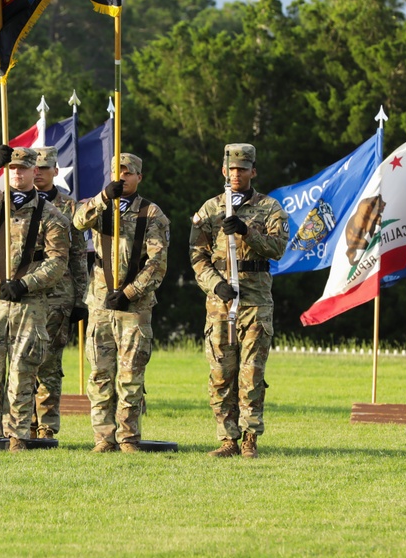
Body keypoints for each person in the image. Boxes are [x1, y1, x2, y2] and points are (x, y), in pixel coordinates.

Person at [0, 145, 69, 453]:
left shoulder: (52, 215)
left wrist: (27, 284)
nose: (18, 173)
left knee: (24, 370)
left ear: (33, 171)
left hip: (29, 301)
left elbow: (57, 261)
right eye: (12, 169)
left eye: (23, 168)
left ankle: (18, 435)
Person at [189, 143, 288, 459]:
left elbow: (277, 248)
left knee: (251, 374)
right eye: (232, 169)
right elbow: (197, 256)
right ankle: (227, 438)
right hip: (220, 305)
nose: (237, 174)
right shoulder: (210, 210)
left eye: (243, 169)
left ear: (253, 171)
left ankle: (249, 438)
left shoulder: (270, 209)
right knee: (221, 373)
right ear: (223, 171)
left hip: (255, 304)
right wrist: (215, 286)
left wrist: (246, 231)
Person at [73, 152, 169, 453]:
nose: (122, 177)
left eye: (128, 173)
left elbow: (157, 264)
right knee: (100, 374)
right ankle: (103, 437)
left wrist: (129, 293)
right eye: (117, 172)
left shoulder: (151, 214)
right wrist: (103, 197)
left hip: (134, 308)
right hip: (101, 302)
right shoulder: (100, 206)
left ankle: (128, 437)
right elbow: (77, 222)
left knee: (130, 376)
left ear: (138, 177)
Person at [29, 146, 89, 440]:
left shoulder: (70, 207)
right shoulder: (18, 204)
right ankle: (22, 424)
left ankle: (47, 427)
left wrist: (80, 299)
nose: (38, 173)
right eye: (34, 168)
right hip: (24, 292)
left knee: (50, 362)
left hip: (58, 293)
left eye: (44, 168)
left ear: (56, 171)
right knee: (22, 359)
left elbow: (79, 255)